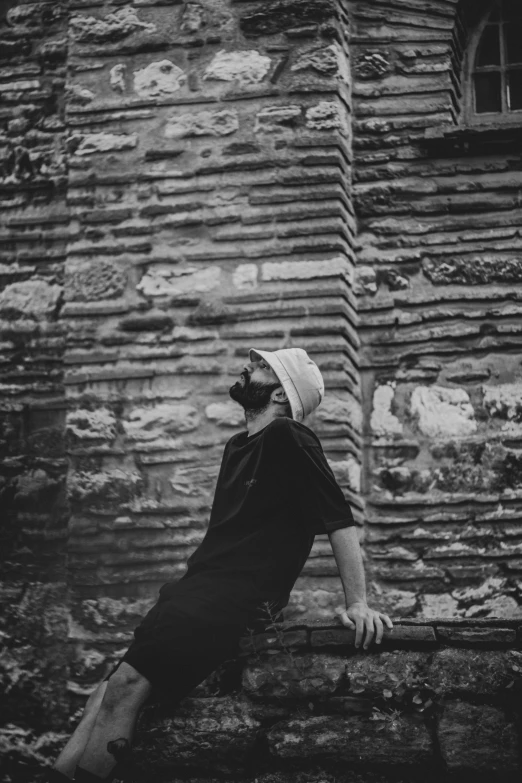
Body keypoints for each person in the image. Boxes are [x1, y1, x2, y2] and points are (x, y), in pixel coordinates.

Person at [50, 347, 392, 783]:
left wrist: (358, 602)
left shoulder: (290, 435)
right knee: (102, 695)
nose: (248, 367)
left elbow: (339, 520)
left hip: (228, 601)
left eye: (263, 366)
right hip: (194, 592)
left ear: (282, 396)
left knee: (124, 690)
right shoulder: (238, 446)